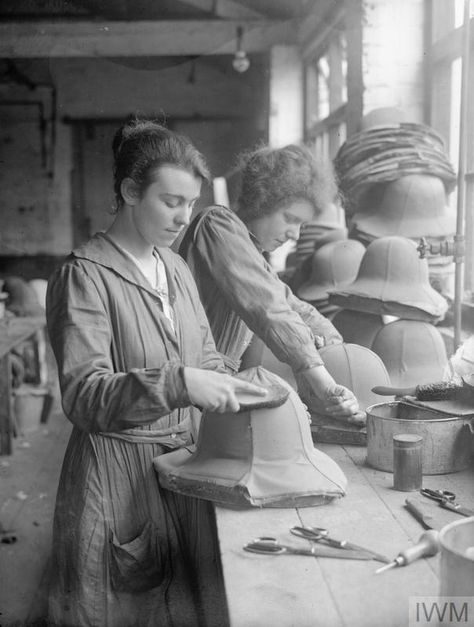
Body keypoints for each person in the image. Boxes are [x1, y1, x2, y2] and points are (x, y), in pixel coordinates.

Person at [45, 117, 266, 627]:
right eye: (170, 202)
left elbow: (206, 357)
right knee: (109, 608)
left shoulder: (176, 268)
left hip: (181, 466)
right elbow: (84, 395)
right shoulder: (84, 276)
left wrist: (243, 385)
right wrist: (178, 383)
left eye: (190, 203)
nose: (184, 217)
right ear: (128, 191)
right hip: (114, 476)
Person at [180, 144, 364, 424]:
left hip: (214, 396)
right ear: (262, 201)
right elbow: (268, 306)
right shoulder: (216, 225)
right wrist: (323, 381)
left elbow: (291, 305)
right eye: (290, 219)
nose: (295, 235)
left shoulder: (254, 255)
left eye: (302, 225)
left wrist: (333, 346)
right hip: (189, 395)